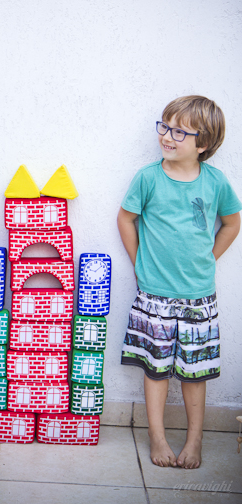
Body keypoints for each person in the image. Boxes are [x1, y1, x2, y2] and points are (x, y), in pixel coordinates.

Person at [118, 96, 241, 469]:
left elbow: (232, 222)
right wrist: (139, 263)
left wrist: (211, 258)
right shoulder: (148, 178)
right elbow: (126, 219)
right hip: (154, 294)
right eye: (165, 126)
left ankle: (194, 439)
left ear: (203, 144)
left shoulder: (215, 182)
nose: (167, 136)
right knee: (155, 368)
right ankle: (157, 436)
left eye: (179, 132)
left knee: (195, 371)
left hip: (198, 297)